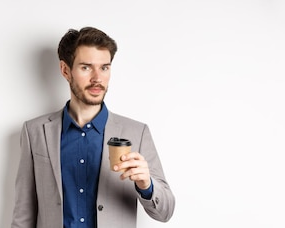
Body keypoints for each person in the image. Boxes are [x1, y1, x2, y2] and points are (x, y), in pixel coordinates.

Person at [11, 26, 175, 228]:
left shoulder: (136, 133)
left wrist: (147, 185)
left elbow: (165, 212)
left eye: (104, 67)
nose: (97, 78)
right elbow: (23, 214)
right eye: (86, 67)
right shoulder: (34, 132)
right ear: (65, 70)